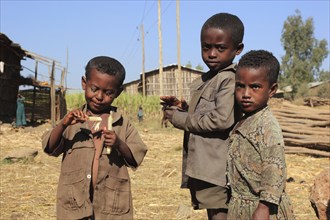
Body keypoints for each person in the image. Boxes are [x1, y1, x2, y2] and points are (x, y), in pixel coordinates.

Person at [42, 56, 148, 220]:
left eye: (108, 92)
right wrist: (63, 124)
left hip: (112, 207)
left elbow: (135, 158)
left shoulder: (122, 124)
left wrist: (119, 144)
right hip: (74, 205)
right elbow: (49, 147)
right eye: (94, 89)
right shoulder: (72, 121)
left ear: (118, 92)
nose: (99, 96)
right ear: (84, 84)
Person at [163, 13, 244, 220]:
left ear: (238, 49)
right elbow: (206, 111)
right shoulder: (210, 78)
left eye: (220, 48)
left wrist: (180, 119)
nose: (212, 54)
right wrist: (182, 108)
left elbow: (221, 119)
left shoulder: (228, 79)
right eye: (206, 47)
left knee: (219, 214)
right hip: (205, 167)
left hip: (216, 168)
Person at [227, 50, 295, 219]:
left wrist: (264, 206)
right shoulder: (245, 119)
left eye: (255, 87)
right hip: (242, 205)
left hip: (261, 208)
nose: (246, 94)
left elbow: (274, 167)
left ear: (272, 90)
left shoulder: (267, 126)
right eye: (240, 86)